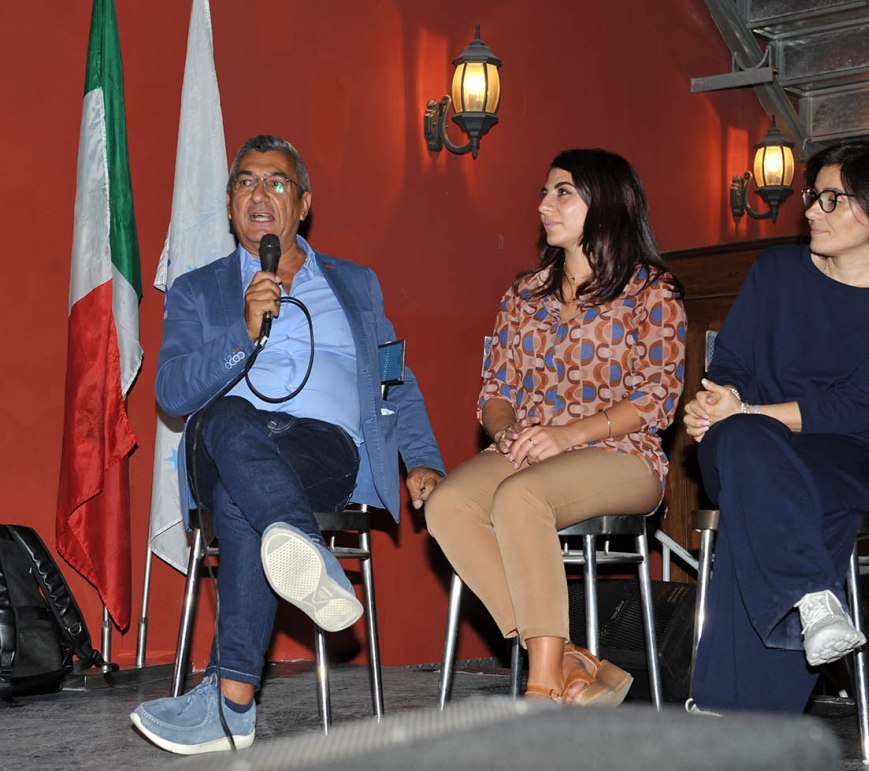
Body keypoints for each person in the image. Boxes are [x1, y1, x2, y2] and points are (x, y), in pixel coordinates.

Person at [130, 135, 444, 754]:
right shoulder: (197, 289)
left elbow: (396, 380)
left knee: (243, 496)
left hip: (324, 451)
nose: (259, 193)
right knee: (229, 418)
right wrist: (242, 331)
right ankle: (304, 550)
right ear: (230, 203)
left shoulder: (356, 285)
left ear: (303, 204)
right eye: (246, 181)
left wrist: (423, 459)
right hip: (223, 440)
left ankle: (231, 705)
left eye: (276, 182)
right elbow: (172, 392)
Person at [682, 139, 869, 713]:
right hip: (745, 446)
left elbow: (850, 408)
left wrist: (744, 413)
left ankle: (721, 714)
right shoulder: (776, 270)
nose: (811, 212)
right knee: (754, 454)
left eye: (831, 199)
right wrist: (724, 400)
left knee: (773, 505)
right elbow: (733, 362)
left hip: (847, 455)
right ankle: (813, 596)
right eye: (813, 196)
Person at [425, 148, 686, 706]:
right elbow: (496, 393)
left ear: (607, 201)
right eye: (545, 192)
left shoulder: (651, 291)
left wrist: (570, 435)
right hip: (533, 446)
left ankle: (542, 686)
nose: (544, 204)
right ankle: (568, 659)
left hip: (624, 453)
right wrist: (506, 432)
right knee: (447, 504)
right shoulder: (524, 294)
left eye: (562, 192)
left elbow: (658, 397)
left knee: (520, 497)